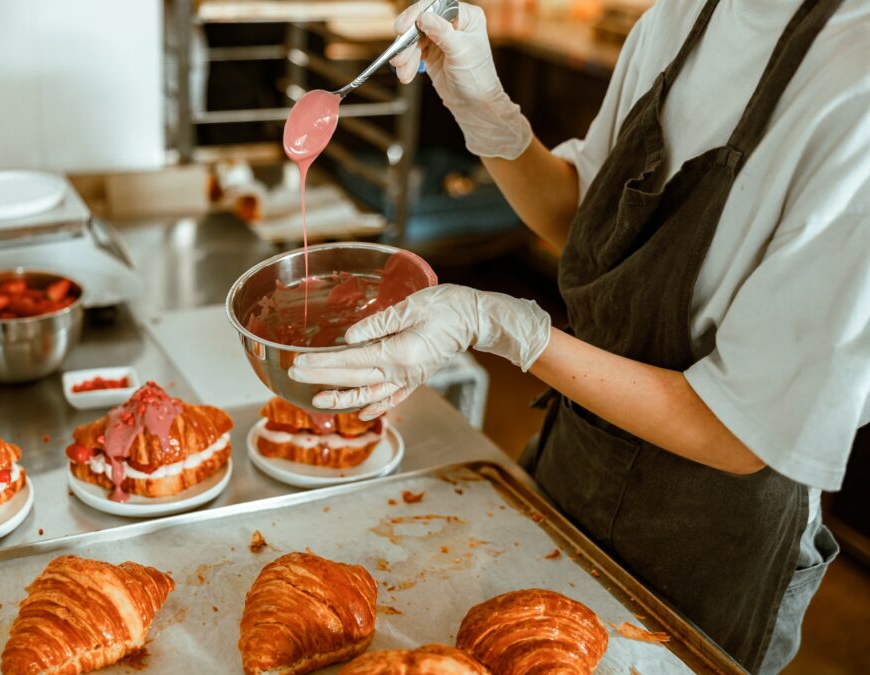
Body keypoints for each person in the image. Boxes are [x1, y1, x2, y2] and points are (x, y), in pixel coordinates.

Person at [288, 0, 870, 671]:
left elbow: (742, 432)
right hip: (574, 469)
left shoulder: (851, 88)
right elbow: (585, 223)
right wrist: (487, 113)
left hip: (711, 544)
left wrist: (501, 326)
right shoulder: (681, 19)